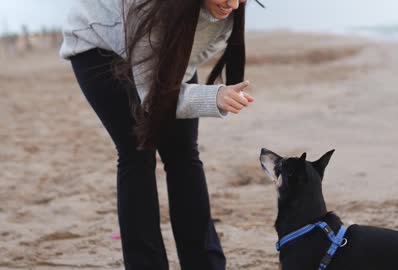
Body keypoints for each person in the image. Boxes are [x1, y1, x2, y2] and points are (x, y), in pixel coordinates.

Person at [59, 0, 257, 269]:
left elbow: (174, 77)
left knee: (183, 152)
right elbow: (155, 98)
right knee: (137, 150)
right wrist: (215, 97)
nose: (233, 4)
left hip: (165, 41)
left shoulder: (227, 12)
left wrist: (195, 92)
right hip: (99, 43)